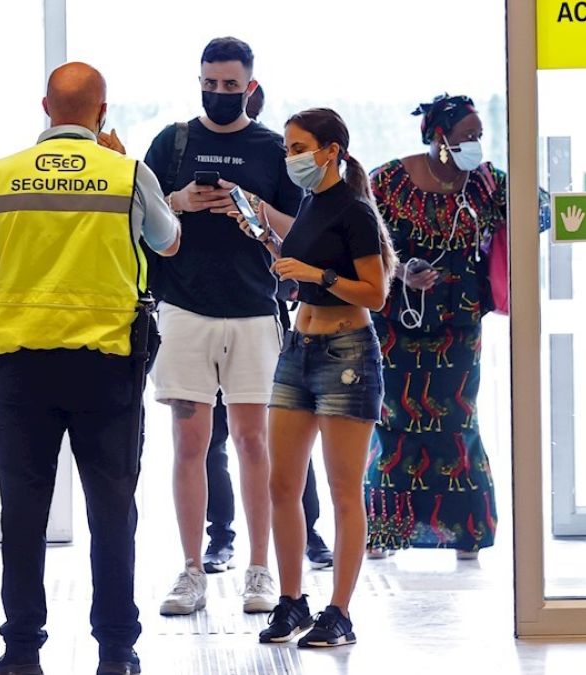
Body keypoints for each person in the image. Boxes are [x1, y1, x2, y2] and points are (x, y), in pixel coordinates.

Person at [0, 62, 180, 675]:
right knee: (112, 510)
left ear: (45, 107)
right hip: (108, 370)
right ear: (102, 113)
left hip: (21, 369)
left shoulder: (1, 175)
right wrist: (126, 164)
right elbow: (169, 242)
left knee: (22, 513)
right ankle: (116, 650)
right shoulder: (127, 173)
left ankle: (21, 650)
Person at [145, 36, 302, 616]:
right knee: (189, 442)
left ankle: (260, 568)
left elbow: (300, 231)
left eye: (230, 85)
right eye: (209, 84)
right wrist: (179, 200)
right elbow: (139, 214)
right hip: (183, 308)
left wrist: (251, 205)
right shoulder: (173, 142)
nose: (218, 93)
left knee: (254, 442)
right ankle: (192, 570)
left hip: (256, 309)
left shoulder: (274, 148)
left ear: (249, 87)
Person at [237, 108, 394, 648]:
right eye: (288, 148)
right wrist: (273, 248)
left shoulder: (356, 210)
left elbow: (375, 292)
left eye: (300, 148)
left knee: (343, 489)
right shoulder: (309, 203)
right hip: (298, 349)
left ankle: (340, 612)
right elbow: (305, 266)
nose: (291, 158)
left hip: (346, 353)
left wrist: (316, 274)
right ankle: (291, 601)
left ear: (332, 152)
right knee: (282, 483)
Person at [364, 94, 503, 560]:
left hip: (458, 327)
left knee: (457, 420)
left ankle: (466, 533)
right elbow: (360, 239)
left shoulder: (484, 185)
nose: (477, 143)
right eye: (468, 136)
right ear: (440, 137)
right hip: (397, 325)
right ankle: (386, 533)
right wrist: (401, 271)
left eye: (480, 135)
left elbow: (536, 212)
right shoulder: (387, 182)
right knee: (393, 422)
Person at [203, 82, 332, 574]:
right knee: (214, 435)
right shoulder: (187, 146)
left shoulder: (278, 159)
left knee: (284, 432)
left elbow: (301, 229)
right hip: (206, 310)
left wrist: (253, 206)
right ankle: (221, 536)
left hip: (266, 310)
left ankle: (308, 529)